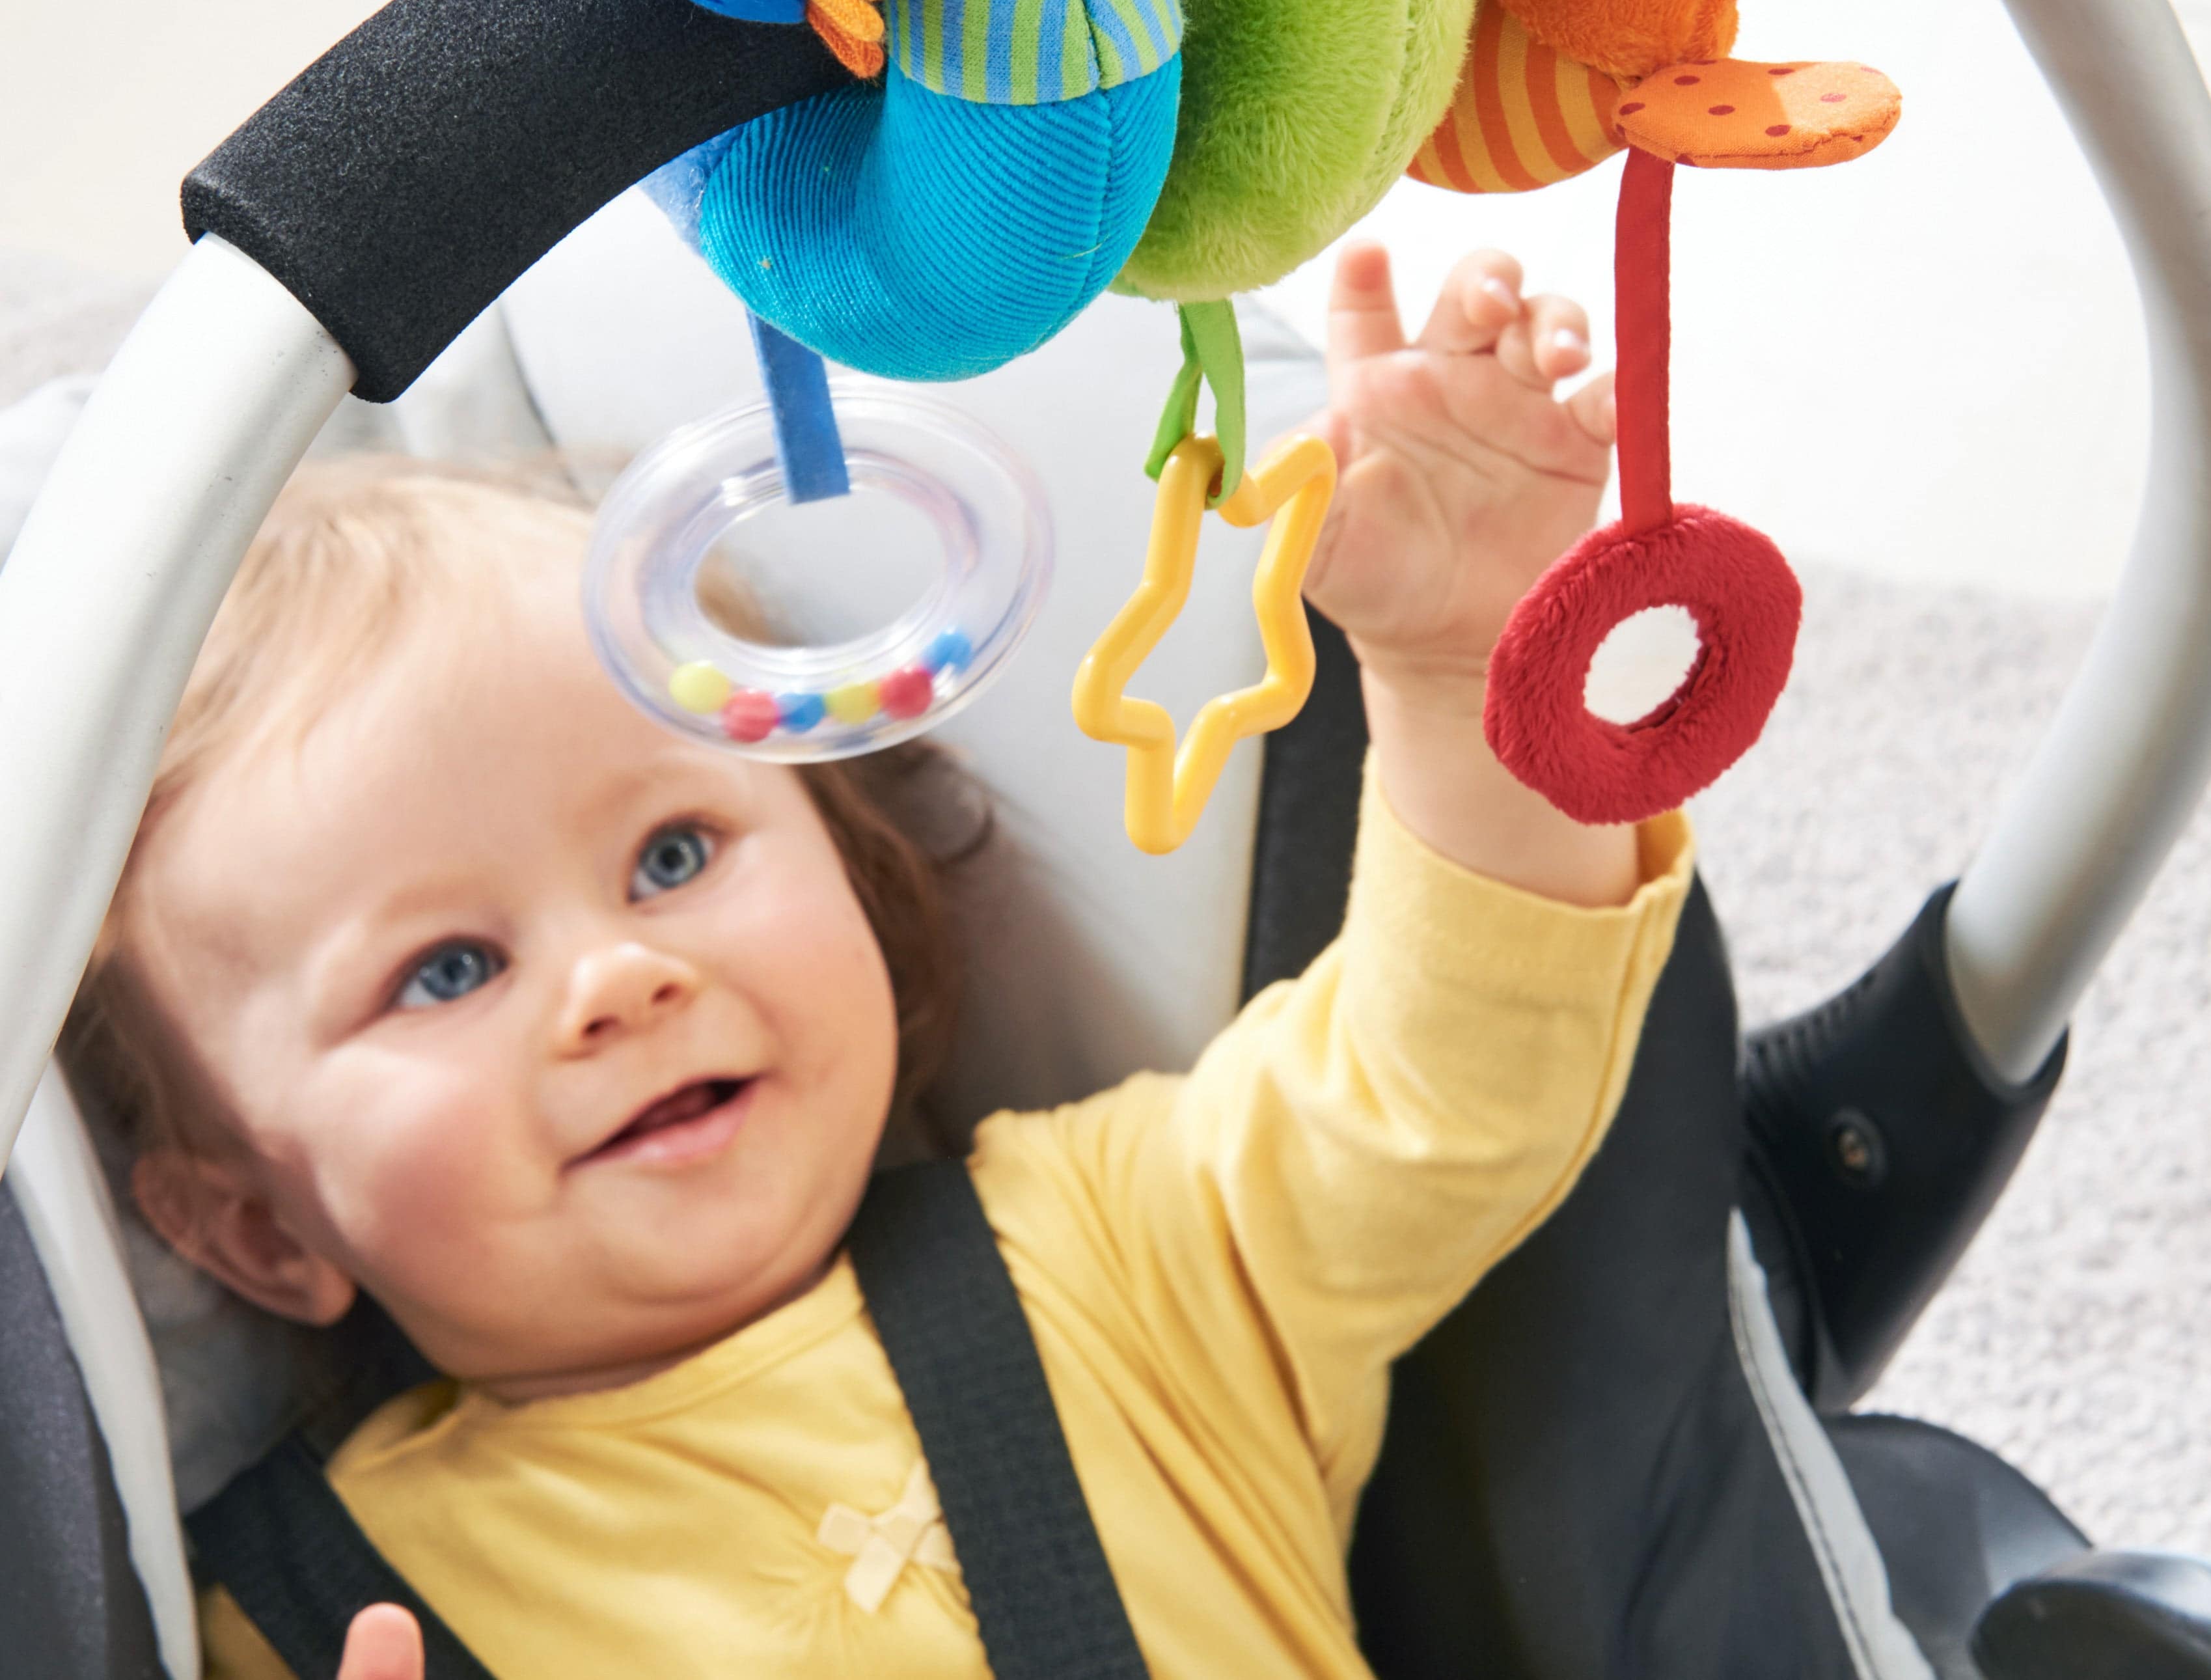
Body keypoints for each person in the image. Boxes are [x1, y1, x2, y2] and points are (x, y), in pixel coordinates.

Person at [70, 243, 1690, 1680]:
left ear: (848, 859)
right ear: (254, 1226)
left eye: (675, 856)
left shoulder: (1124, 1243)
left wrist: (1462, 656)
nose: (617, 981)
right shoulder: (300, 1613)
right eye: (443, 970)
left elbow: (1450, 1080)